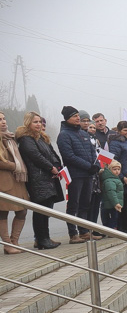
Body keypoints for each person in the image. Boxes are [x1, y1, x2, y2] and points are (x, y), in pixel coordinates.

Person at [15, 112, 63, 249]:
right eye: (35, 122)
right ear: (28, 123)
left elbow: (52, 154)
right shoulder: (26, 139)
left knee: (47, 208)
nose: (39, 124)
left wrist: (57, 167)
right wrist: (50, 168)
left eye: (40, 122)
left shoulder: (41, 138)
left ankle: (45, 238)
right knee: (40, 210)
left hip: (47, 178)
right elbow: (35, 156)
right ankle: (41, 239)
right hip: (37, 179)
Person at [57, 106, 101, 243]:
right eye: (74, 116)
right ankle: (73, 234)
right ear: (67, 118)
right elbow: (69, 156)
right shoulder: (64, 135)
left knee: (85, 204)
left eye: (78, 115)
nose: (78, 118)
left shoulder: (84, 134)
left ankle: (84, 231)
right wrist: (89, 166)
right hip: (76, 174)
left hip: (88, 175)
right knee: (73, 204)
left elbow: (92, 152)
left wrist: (96, 164)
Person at [0, 111, 29, 254]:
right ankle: (7, 244)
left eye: (4, 119)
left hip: (17, 180)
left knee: (22, 211)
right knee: (2, 213)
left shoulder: (10, 137)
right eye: (0, 120)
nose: (3, 122)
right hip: (4, 181)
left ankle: (14, 241)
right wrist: (12, 165)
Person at [101, 160, 124, 230]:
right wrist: (116, 203)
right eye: (114, 169)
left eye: (118, 169)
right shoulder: (109, 180)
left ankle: (111, 228)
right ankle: (111, 229)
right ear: (110, 170)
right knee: (112, 217)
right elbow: (111, 192)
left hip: (113, 203)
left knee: (113, 217)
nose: (117, 171)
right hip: (112, 204)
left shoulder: (115, 179)